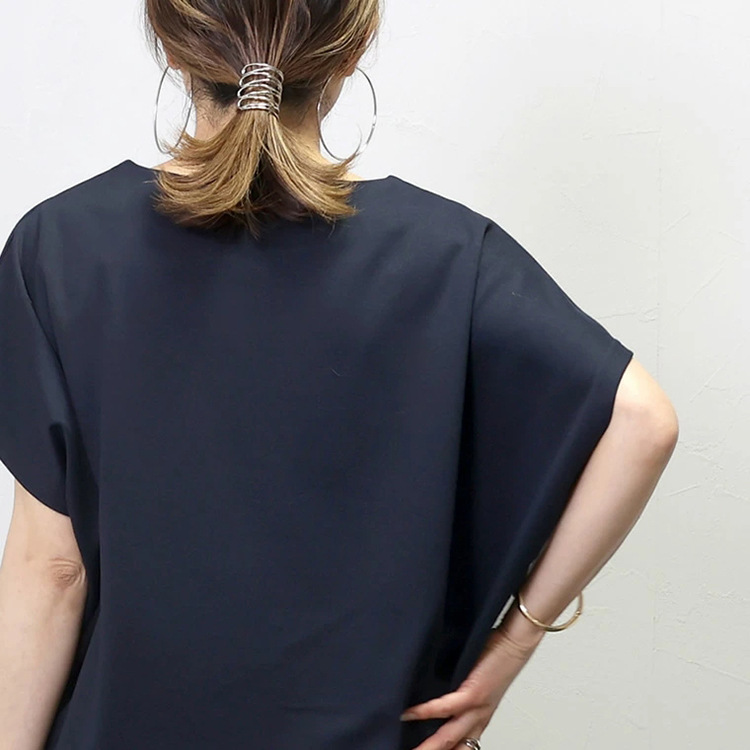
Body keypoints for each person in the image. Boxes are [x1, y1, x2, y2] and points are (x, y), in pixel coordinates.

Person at [0, 1, 678, 749]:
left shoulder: (58, 247)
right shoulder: (450, 255)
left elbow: (52, 569)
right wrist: (513, 643)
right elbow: (642, 422)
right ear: (352, 50)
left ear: (172, 41)